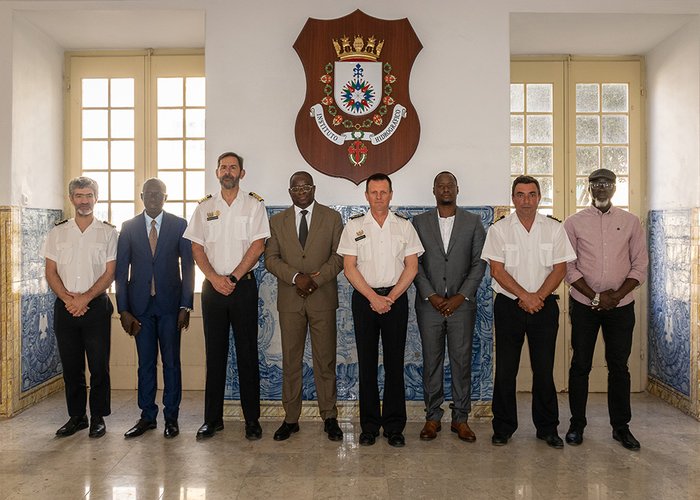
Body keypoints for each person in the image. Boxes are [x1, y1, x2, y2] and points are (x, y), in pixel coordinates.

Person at [481, 175, 576, 448]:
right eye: (520, 194)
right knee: (506, 370)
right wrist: (525, 296)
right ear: (513, 198)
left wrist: (538, 297)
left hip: (545, 307)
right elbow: (496, 270)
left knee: (544, 370)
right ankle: (503, 427)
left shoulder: (554, 229)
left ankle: (547, 428)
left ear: (539, 197)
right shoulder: (499, 230)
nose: (526, 200)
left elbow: (560, 268)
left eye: (532, 194)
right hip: (509, 306)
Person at [183, 151, 270, 440]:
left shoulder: (254, 205)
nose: (228, 171)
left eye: (233, 167)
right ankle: (212, 419)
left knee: (247, 354)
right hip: (212, 289)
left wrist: (232, 277)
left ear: (242, 173)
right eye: (223, 167)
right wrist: (215, 278)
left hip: (242, 286)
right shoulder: (204, 207)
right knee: (215, 355)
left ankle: (252, 420)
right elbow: (197, 247)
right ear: (217, 172)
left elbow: (258, 245)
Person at [563, 168, 648, 450]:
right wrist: (596, 297)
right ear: (588, 188)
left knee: (619, 367)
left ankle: (621, 428)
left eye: (607, 183)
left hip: (621, 306)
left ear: (614, 187)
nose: (602, 187)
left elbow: (640, 265)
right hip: (584, 305)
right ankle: (577, 424)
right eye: (596, 183)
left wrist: (616, 295)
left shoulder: (631, 221)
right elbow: (568, 267)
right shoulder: (573, 223)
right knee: (580, 365)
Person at [337, 173, 424, 447]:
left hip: (395, 300)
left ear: (391, 194)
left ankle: (395, 427)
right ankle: (370, 426)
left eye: (383, 192)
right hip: (364, 300)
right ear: (366, 196)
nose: (378, 197)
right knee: (367, 364)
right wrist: (373, 297)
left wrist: (392, 297)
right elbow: (349, 267)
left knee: (395, 365)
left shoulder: (404, 227)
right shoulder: (353, 227)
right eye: (373, 192)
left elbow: (412, 266)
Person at [265, 171, 344, 442]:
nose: (301, 191)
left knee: (326, 360)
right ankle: (290, 418)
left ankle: (329, 416)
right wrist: (296, 277)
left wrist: (315, 279)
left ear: (314, 189)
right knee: (291, 361)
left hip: (322, 298)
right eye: (296, 188)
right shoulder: (277, 221)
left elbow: (339, 256)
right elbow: (271, 259)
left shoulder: (332, 218)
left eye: (306, 186)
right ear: (289, 191)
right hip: (290, 300)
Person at [115, 178, 195, 439]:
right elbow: (121, 271)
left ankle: (171, 417)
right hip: (140, 310)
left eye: (158, 193)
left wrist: (186, 305)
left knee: (172, 363)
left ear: (165, 197)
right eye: (148, 193)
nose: (153, 197)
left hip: (171, 307)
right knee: (145, 364)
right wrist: (123, 309)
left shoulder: (179, 225)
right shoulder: (128, 228)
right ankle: (147, 416)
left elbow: (188, 268)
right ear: (141, 196)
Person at [412, 171, 486, 442]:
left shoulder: (473, 222)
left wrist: (461, 296)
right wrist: (431, 295)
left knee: (461, 362)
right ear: (433, 190)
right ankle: (433, 417)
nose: (445, 189)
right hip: (429, 305)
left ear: (457, 189)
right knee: (431, 362)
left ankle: (461, 419)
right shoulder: (418, 223)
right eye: (440, 186)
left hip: (461, 306)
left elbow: (480, 263)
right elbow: (414, 263)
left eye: (450, 185)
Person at [43, 176, 118, 439]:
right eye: (79, 196)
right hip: (65, 308)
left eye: (89, 196)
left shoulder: (109, 232)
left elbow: (110, 273)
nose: (84, 201)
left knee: (99, 366)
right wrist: (68, 299)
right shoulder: (57, 232)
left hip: (96, 307)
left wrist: (84, 298)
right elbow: (50, 271)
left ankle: (98, 417)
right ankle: (77, 417)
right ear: (71, 198)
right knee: (72, 366)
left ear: (96, 198)